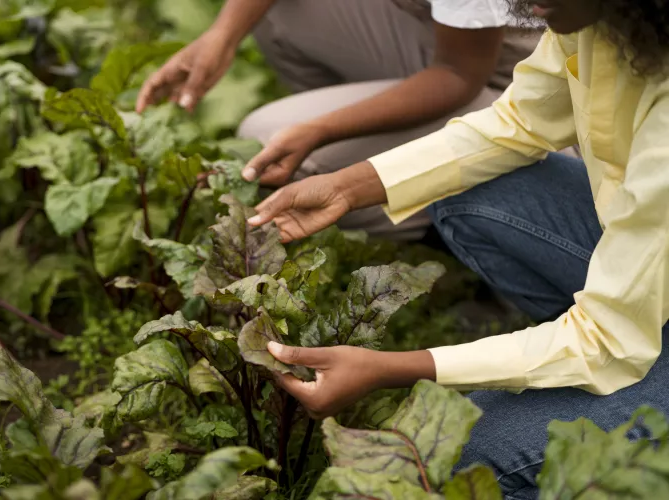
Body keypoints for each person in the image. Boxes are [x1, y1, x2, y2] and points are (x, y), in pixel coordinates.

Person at [247, 0, 669, 497]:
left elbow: (607, 340)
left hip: (624, 318)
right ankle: (562, 361)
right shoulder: (602, 20)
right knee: (462, 190)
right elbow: (520, 121)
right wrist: (349, 186)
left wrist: (390, 369)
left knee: (465, 452)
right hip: (645, 260)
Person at [136, 0, 546, 241]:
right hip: (444, 38)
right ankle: (375, 151)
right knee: (284, 12)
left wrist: (322, 129)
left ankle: (455, 227)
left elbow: (458, 74)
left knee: (271, 145)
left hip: (519, 84)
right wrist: (221, 37)